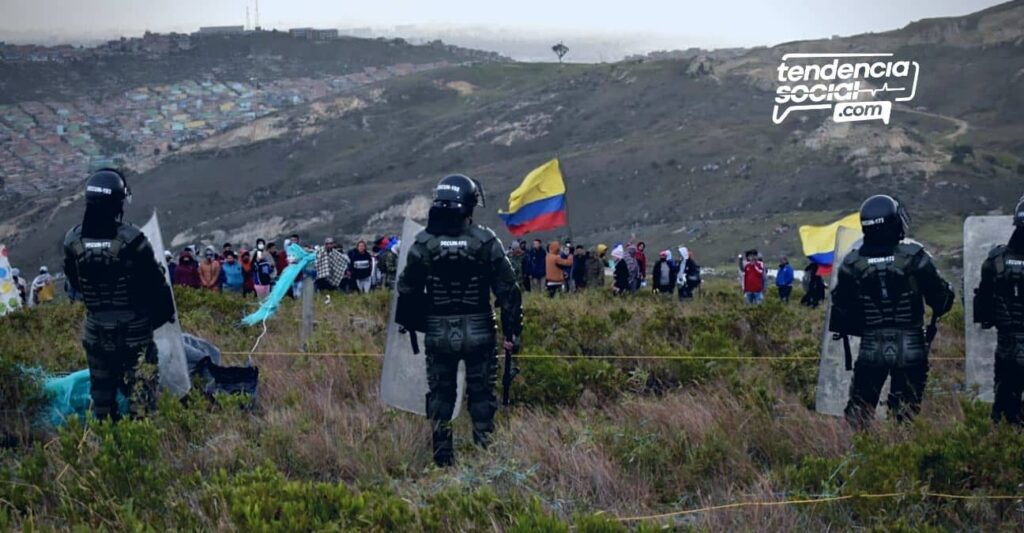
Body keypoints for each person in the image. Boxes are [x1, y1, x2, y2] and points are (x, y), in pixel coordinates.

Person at [396, 174, 522, 467]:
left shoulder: (425, 242)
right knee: (481, 397)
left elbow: (406, 288)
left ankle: (442, 461)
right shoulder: (485, 240)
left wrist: (421, 319)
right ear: (469, 205)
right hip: (479, 329)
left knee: (440, 397)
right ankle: (485, 460)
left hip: (439, 330)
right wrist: (512, 332)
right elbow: (509, 291)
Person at [829, 195, 954, 430]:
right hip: (911, 345)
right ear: (895, 222)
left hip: (871, 347)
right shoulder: (915, 256)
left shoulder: (852, 263)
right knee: (905, 415)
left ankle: (856, 459)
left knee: (859, 412)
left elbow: (841, 310)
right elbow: (941, 300)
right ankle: (900, 459)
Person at [62, 169, 175, 421]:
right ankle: (141, 449)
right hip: (134, 330)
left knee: (102, 396)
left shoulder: (73, 240)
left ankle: (107, 446)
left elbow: (74, 284)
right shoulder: (132, 240)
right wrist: (161, 316)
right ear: (117, 202)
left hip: (95, 331)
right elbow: (155, 286)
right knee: (142, 394)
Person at [974, 197, 1024, 425]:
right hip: (1007, 344)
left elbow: (982, 308)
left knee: (1004, 413)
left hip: (1007, 347)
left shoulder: (995, 261)